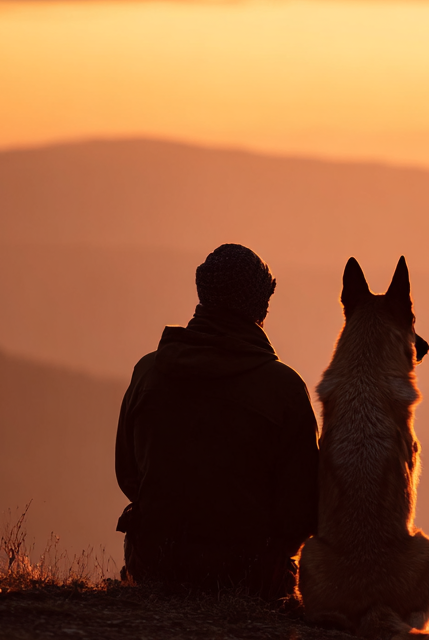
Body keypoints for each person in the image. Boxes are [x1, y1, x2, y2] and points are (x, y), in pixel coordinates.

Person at [115, 244, 318, 599]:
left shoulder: (148, 372)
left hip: (153, 565)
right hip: (248, 578)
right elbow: (300, 512)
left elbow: (129, 475)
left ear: (203, 297)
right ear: (260, 305)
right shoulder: (284, 389)